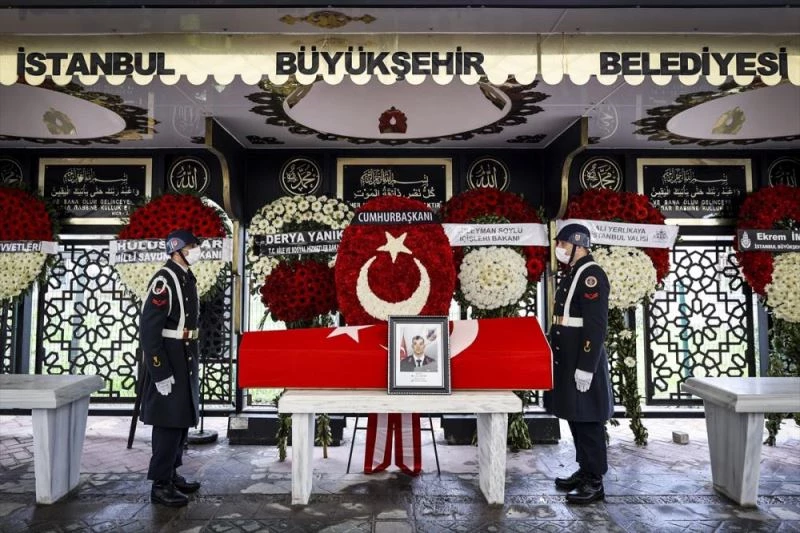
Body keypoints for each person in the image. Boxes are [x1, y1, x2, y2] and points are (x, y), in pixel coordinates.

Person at [544, 222, 613, 505]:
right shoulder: (575, 272)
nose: (559, 249)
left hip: (583, 360)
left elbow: (595, 326)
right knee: (576, 416)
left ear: (578, 245)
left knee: (589, 421)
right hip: (569, 357)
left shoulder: (591, 274)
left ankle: (594, 481)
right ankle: (585, 471)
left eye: (563, 244)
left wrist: (586, 366)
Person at [139, 229, 203, 507]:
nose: (196, 250)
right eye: (191, 246)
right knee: (167, 423)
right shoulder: (164, 280)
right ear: (176, 250)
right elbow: (149, 331)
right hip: (169, 357)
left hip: (184, 354)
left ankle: (171, 474)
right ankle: (160, 485)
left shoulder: (185, 276)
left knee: (180, 420)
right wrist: (160, 371)